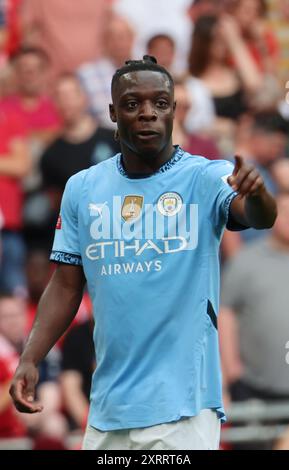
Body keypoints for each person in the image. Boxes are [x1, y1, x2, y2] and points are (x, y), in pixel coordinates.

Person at [9, 56, 277, 451]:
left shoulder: (205, 176)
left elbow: (257, 216)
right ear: (114, 112)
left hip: (183, 407)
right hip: (108, 409)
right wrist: (31, 356)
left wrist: (257, 195)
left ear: (172, 110)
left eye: (161, 103)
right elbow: (66, 284)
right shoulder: (82, 188)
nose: (148, 113)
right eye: (133, 104)